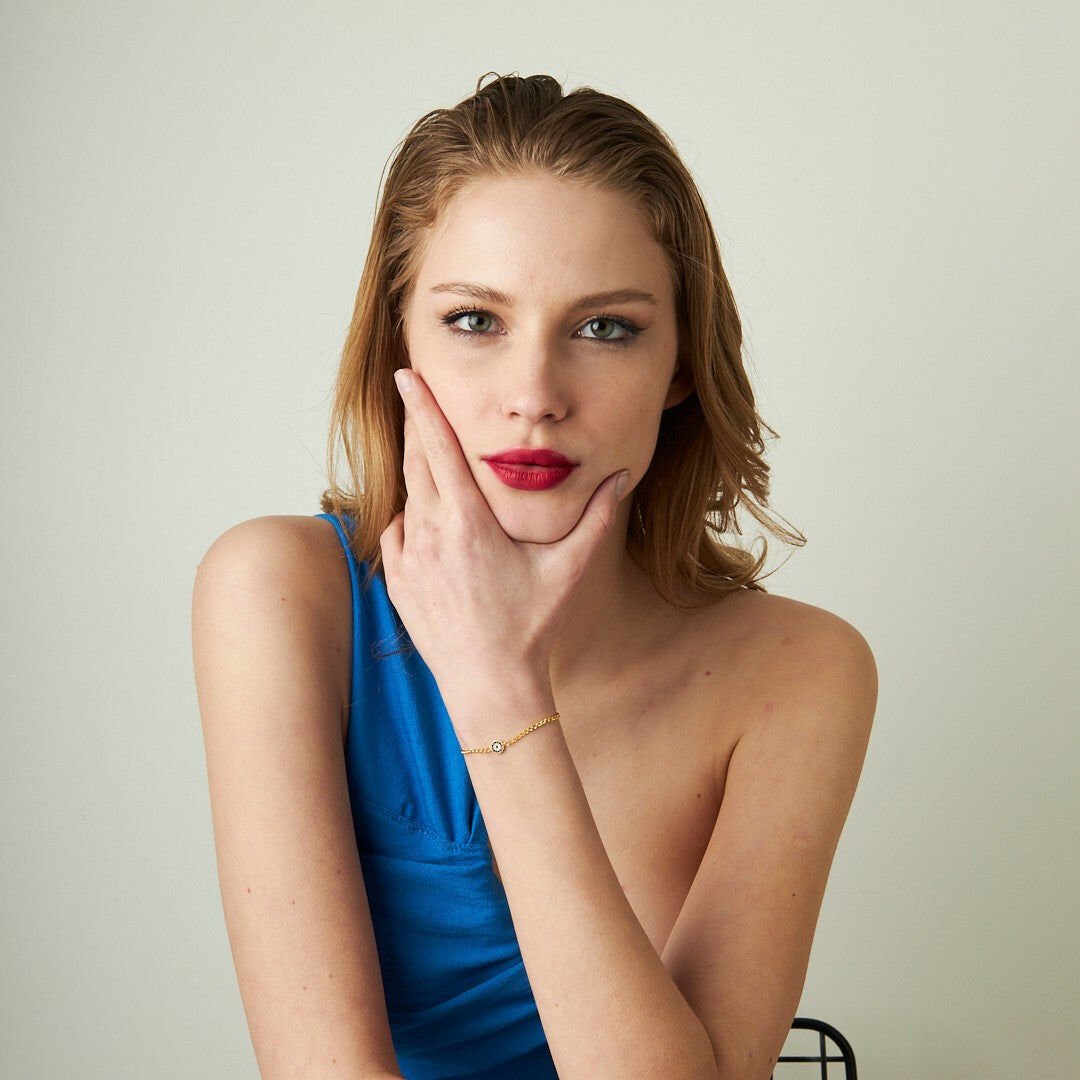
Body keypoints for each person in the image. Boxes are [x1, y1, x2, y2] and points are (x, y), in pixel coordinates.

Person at [192, 72, 878, 1080]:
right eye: (476, 320)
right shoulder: (281, 594)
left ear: (681, 365)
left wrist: (498, 689)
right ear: (398, 341)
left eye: (605, 328)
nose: (534, 395)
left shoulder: (800, 670)